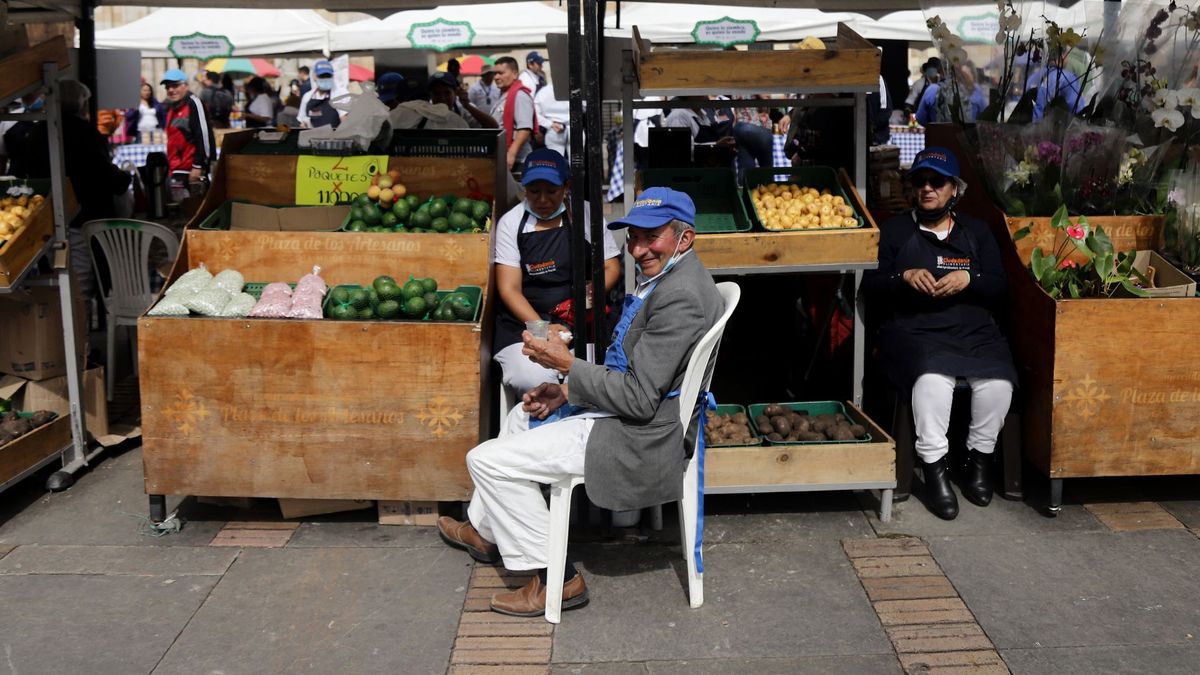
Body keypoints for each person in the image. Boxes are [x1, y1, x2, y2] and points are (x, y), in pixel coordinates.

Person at [437, 187, 724, 617]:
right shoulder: (673, 277)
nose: (639, 249)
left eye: (652, 237)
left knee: (485, 460)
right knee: (521, 416)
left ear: (685, 238)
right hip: (625, 415)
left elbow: (641, 399)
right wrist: (567, 391)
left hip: (636, 436)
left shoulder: (679, 297)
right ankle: (486, 532)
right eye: (633, 238)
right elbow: (636, 380)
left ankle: (557, 577)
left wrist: (568, 366)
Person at [863, 147, 1016, 521]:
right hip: (914, 331)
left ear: (954, 190)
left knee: (998, 383)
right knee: (932, 378)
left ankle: (979, 460)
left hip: (973, 331)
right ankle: (935, 469)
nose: (928, 188)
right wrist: (904, 278)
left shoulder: (976, 231)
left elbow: (1000, 288)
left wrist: (970, 278)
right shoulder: (895, 230)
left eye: (937, 181)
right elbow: (869, 286)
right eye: (920, 181)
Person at [493, 148, 622, 396]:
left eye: (551, 192)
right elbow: (509, 288)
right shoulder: (512, 223)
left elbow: (610, 266)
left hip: (580, 318)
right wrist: (541, 329)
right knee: (532, 376)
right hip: (526, 320)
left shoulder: (585, 214)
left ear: (567, 187)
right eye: (534, 192)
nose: (542, 200)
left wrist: (585, 299)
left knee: (601, 372)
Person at [16, 79, 131, 312]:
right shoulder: (85, 133)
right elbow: (105, 174)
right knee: (82, 282)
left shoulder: (39, 132)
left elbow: (21, 174)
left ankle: (71, 335)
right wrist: (125, 179)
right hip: (83, 216)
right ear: (81, 104)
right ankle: (81, 339)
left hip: (48, 218)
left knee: (61, 279)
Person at [161, 68, 215, 185]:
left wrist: (198, 165)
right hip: (177, 168)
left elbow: (204, 136)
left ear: (185, 85)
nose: (170, 90)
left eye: (175, 85)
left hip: (191, 169)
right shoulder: (172, 107)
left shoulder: (194, 103)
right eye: (167, 87)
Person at [490, 56, 537, 173]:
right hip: (504, 156)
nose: (496, 77)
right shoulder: (503, 94)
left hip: (517, 160)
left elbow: (525, 128)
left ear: (515, 74)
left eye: (501, 73)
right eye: (495, 74)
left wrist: (511, 153)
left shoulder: (520, 95)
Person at [428, 72, 497, 128]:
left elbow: (493, 126)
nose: (442, 98)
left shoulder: (462, 108)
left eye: (447, 93)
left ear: (455, 93)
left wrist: (467, 106)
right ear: (431, 95)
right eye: (436, 93)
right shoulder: (425, 110)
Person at [0, 91, 44, 174]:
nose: (33, 97)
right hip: (16, 181)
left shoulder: (54, 118)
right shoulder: (10, 119)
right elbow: (2, 158)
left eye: (38, 91)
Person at [297, 60, 340, 129]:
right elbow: (302, 120)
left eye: (328, 76)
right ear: (314, 76)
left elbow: (345, 119)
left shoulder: (338, 94)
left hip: (334, 138)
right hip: (312, 137)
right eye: (322, 76)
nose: (325, 79)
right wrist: (304, 125)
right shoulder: (307, 97)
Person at [534, 83, 569, 157]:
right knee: (577, 162)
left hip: (553, 128)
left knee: (555, 162)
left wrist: (549, 124)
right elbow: (584, 107)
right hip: (572, 125)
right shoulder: (574, 89)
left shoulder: (543, 91)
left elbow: (535, 113)